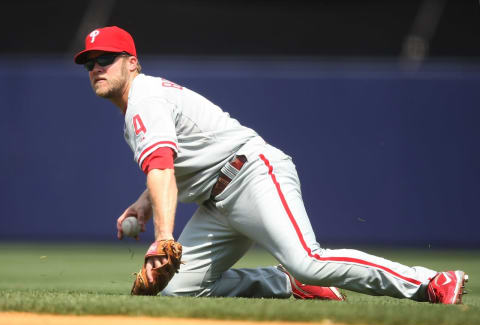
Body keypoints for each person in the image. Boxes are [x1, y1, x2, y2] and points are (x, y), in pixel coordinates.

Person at [74, 26, 468, 304]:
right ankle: (283, 283)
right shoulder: (141, 105)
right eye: (89, 62)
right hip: (217, 202)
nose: (96, 68)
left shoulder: (144, 99)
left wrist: (163, 237)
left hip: (251, 174)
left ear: (132, 63)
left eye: (106, 59)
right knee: (178, 290)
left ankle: (430, 281)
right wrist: (145, 204)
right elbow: (170, 162)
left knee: (308, 259)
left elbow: (161, 166)